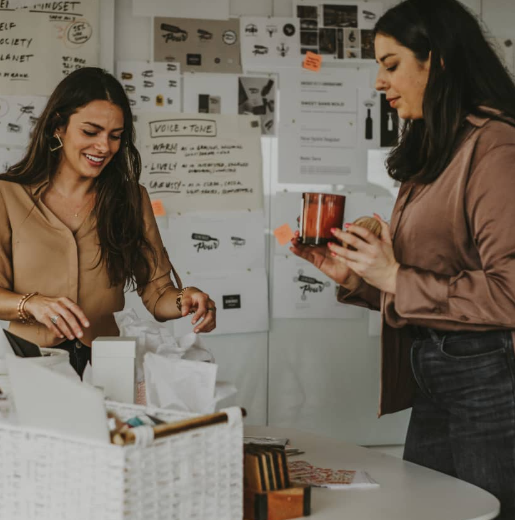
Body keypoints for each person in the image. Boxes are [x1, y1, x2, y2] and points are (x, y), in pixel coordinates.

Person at [291, 0, 515, 517]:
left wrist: (392, 273)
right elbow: (424, 284)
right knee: (427, 511)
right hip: (436, 370)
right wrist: (358, 277)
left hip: (489, 378)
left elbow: (508, 294)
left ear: (435, 61)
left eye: (391, 65)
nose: (378, 82)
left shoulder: (496, 147)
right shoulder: (439, 151)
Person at [0, 67, 216, 379]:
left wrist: (187, 299)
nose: (104, 147)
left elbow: (158, 294)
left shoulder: (131, 198)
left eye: (115, 136)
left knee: (110, 429)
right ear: (58, 126)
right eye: (91, 132)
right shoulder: (8, 195)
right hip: (28, 361)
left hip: (108, 362)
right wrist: (32, 304)